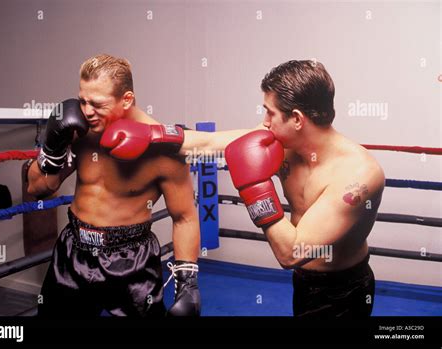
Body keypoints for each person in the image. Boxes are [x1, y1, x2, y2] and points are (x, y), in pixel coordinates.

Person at [108, 60, 385, 318]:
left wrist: (254, 187)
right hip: (303, 282)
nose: (264, 121)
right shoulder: (281, 141)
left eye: (270, 112)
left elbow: (291, 252)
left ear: (297, 119)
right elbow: (207, 144)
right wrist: (149, 134)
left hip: (345, 291)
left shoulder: (358, 175)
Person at [27, 54, 201, 317]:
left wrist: (187, 283)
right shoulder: (79, 132)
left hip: (132, 261)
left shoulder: (165, 150)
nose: (86, 111)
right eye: (82, 100)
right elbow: (37, 188)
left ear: (127, 99)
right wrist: (52, 148)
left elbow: (185, 217)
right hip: (74, 250)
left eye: (97, 104)